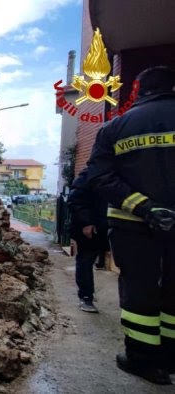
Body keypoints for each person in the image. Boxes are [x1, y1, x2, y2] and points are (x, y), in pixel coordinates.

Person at [87, 66, 175, 385]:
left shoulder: (116, 127)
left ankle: (144, 360)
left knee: (140, 290)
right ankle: (170, 355)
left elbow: (99, 176)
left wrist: (145, 207)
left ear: (138, 90)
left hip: (133, 225)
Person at [67, 168, 109, 313]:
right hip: (89, 228)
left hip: (106, 227)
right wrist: (86, 223)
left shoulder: (113, 174)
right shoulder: (87, 177)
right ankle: (86, 297)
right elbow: (75, 200)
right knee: (85, 260)